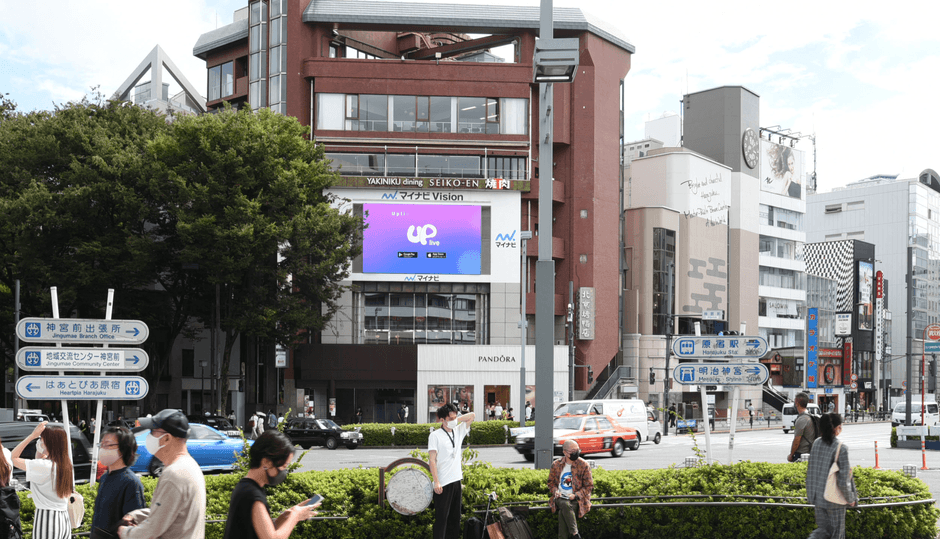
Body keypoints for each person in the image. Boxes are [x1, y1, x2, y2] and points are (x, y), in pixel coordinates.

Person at [118, 409, 206, 539]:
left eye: (152, 432)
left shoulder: (174, 474)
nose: (149, 436)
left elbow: (152, 529)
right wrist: (138, 515)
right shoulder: (189, 466)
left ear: (166, 438)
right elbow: (170, 511)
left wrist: (124, 532)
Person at [222, 430, 318, 539]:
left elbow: (261, 531)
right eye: (284, 465)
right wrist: (295, 516)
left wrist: (285, 516)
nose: (283, 471)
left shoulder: (246, 487)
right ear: (266, 462)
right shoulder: (252, 495)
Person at [10, 422, 72, 539]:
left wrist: (32, 436)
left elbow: (13, 457)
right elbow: (40, 459)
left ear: (49, 443)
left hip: (47, 518)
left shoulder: (44, 466)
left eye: (42, 440)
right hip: (63, 518)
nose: (41, 442)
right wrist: (40, 447)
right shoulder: (65, 465)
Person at [806, 413, 857, 538]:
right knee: (836, 535)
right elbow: (843, 480)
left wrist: (811, 496)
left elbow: (811, 472)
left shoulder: (816, 443)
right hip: (834, 502)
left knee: (823, 532)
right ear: (837, 428)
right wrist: (850, 499)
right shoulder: (841, 448)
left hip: (818, 499)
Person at [428, 403, 475, 539]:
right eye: (450, 418)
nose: (454, 421)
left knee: (455, 519)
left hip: (456, 481)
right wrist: (436, 482)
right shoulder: (435, 436)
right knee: (442, 520)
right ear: (441, 419)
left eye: (455, 417)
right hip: (442, 483)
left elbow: (472, 416)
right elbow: (432, 460)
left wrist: (455, 420)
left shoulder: (458, 430)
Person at [92, 427, 146, 539]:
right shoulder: (105, 477)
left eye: (107, 445)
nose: (102, 449)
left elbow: (133, 525)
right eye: (101, 445)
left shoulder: (131, 483)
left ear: (122, 449)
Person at [547, 440, 594, 539]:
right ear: (565, 452)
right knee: (564, 503)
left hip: (577, 499)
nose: (575, 453)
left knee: (562, 513)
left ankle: (573, 534)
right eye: (572, 451)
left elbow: (589, 486)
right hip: (560, 498)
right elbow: (551, 483)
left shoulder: (583, 465)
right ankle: (575, 534)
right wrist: (555, 492)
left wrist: (575, 495)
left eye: (577, 450)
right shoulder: (556, 465)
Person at [787, 392, 818, 462]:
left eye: (794, 402)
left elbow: (797, 440)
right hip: (811, 451)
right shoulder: (810, 416)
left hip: (802, 453)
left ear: (797, 403)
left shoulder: (802, 419)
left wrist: (791, 455)